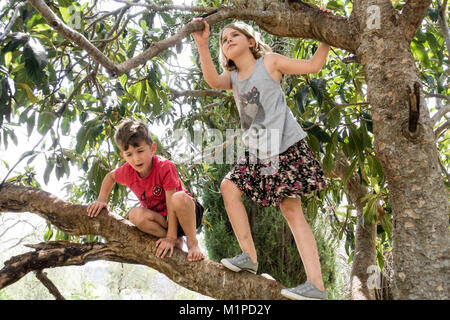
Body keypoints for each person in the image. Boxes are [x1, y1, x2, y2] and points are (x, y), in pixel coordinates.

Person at [192, 17, 330, 300]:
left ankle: (316, 286)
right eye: (224, 39)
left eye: (234, 35)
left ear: (251, 42)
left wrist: (326, 36)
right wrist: (203, 45)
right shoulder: (232, 78)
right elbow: (211, 79)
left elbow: (314, 65)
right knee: (229, 187)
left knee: (291, 211)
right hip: (259, 151)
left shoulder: (270, 63)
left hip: (286, 146)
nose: (227, 40)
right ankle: (249, 256)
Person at [86, 119, 205, 262]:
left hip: (185, 214)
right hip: (162, 220)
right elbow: (110, 177)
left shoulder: (164, 167)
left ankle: (192, 243)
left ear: (152, 148)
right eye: (129, 154)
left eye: (140, 151)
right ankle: (176, 241)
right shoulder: (127, 171)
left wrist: (171, 237)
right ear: (123, 156)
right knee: (135, 215)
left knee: (178, 197)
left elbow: (172, 204)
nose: (136, 159)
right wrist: (101, 200)